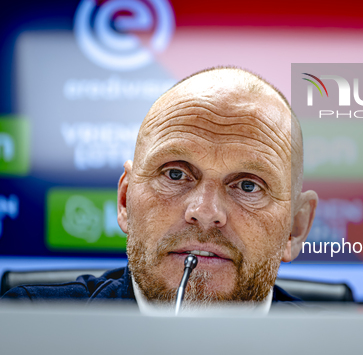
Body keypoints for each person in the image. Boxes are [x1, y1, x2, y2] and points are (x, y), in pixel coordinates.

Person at [3, 67, 318, 312]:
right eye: (176, 174)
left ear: (295, 228)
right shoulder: (21, 327)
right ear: (125, 201)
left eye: (248, 185)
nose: (205, 212)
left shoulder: (344, 351)